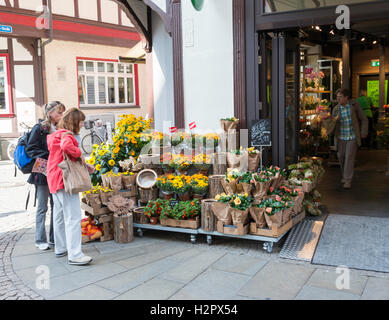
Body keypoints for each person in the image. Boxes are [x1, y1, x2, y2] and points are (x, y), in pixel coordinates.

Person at [47, 107, 93, 265]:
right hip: (66, 180)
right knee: (73, 218)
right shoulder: (67, 135)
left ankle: (60, 248)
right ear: (74, 122)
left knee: (59, 216)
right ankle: (75, 254)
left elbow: (61, 155)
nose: (82, 125)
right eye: (80, 122)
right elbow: (67, 148)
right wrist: (79, 152)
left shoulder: (57, 134)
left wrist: (86, 165)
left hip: (54, 179)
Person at [25, 101, 65, 251]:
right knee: (42, 207)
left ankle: (55, 238)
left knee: (57, 206)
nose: (61, 115)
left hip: (55, 172)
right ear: (50, 113)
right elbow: (31, 149)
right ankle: (40, 239)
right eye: (59, 113)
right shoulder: (40, 128)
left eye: (62, 113)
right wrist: (50, 156)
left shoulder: (59, 128)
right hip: (42, 172)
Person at [324, 88, 368, 189]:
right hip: (340, 137)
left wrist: (363, 131)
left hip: (352, 136)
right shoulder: (336, 109)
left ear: (346, 97)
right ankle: (344, 174)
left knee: (349, 156)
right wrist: (328, 123)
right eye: (337, 97)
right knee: (341, 156)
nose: (338, 99)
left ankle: (348, 179)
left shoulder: (354, 106)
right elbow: (332, 123)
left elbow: (364, 119)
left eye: (340, 97)